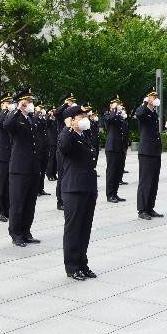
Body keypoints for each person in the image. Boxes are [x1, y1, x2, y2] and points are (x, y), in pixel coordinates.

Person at [58, 104, 98, 280]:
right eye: (81, 117)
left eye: (85, 116)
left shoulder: (84, 135)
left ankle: (83, 263)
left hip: (88, 186)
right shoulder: (67, 135)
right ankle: (72, 266)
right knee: (74, 229)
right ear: (72, 120)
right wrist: (68, 127)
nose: (85, 119)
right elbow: (65, 147)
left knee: (85, 228)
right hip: (74, 188)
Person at [4, 87, 43, 247]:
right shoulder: (16, 117)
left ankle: (26, 231)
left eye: (31, 101)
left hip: (32, 166)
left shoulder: (30, 118)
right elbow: (6, 125)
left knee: (30, 202)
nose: (31, 103)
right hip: (19, 168)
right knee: (18, 202)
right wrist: (18, 110)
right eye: (28, 101)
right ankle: (16, 233)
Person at [134, 88, 163, 220]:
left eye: (156, 96)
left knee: (154, 181)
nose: (156, 98)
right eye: (153, 96)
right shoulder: (144, 110)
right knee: (145, 180)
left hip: (155, 150)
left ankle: (150, 207)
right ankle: (142, 209)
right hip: (146, 151)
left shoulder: (153, 112)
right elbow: (138, 113)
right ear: (147, 98)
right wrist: (145, 103)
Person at [0, 93, 14, 221]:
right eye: (7, 103)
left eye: (11, 103)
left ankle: (7, 209)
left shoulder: (13, 116)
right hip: (1, 155)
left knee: (8, 185)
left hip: (12, 154)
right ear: (2, 105)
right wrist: (5, 110)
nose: (10, 105)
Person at [103, 96, 127, 203]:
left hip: (120, 147)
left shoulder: (120, 116)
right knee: (112, 171)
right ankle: (110, 194)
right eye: (116, 104)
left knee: (118, 171)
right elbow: (110, 120)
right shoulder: (108, 114)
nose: (118, 106)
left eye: (119, 104)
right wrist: (113, 110)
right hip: (112, 147)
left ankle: (115, 193)